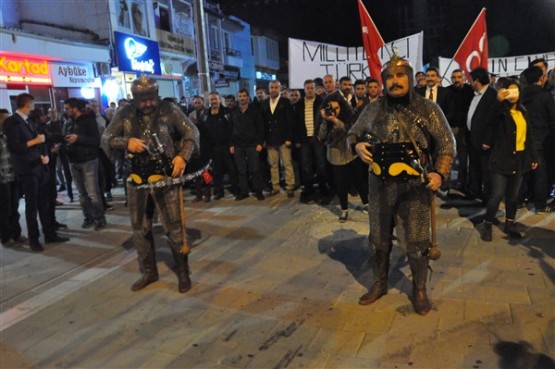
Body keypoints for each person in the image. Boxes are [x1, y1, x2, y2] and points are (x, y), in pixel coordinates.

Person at [348, 54, 455, 315]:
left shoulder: (428, 108)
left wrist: (439, 174)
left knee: (418, 242)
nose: (394, 82)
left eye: (399, 76)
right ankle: (379, 283)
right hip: (380, 185)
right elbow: (353, 133)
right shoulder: (373, 109)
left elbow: (446, 144)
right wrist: (357, 144)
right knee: (378, 241)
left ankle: (419, 289)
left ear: (409, 77)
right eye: (389, 77)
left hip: (414, 187)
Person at [102, 76, 199, 293]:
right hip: (137, 179)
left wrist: (182, 156)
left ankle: (183, 272)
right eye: (142, 99)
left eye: (151, 98)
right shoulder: (124, 114)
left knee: (173, 227)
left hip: (165, 178)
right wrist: (127, 142)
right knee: (140, 228)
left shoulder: (169, 110)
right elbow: (106, 138)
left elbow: (192, 131)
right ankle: (149, 271)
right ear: (135, 98)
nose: (148, 103)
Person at [3, 94, 69, 252]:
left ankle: (49, 234)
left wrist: (45, 154)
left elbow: (42, 139)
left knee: (44, 204)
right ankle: (34, 239)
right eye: (32, 103)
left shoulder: (28, 121)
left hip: (40, 167)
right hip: (27, 171)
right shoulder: (12, 122)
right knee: (32, 207)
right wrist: (35, 142)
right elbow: (14, 147)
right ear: (28, 104)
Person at [481, 78, 538, 241]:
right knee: (497, 194)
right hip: (501, 158)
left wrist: (533, 156)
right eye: (509, 91)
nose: (513, 94)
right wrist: (498, 101)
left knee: (513, 196)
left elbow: (529, 136)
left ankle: (510, 224)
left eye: (516, 91)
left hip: (520, 159)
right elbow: (489, 120)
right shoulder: (500, 111)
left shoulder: (523, 112)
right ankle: (488, 224)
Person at [318, 94, 369, 222]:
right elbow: (321, 136)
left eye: (337, 108)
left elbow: (348, 130)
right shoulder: (325, 119)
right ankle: (344, 209)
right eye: (331, 108)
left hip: (350, 152)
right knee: (341, 184)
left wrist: (335, 120)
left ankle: (366, 203)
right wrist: (325, 119)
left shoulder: (348, 117)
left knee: (359, 180)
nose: (334, 111)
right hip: (336, 156)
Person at [64, 98, 107, 231]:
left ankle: (99, 219)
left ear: (75, 108)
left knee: (92, 193)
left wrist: (78, 139)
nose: (65, 110)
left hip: (88, 160)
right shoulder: (68, 122)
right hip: (73, 160)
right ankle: (88, 217)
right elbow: (64, 137)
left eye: (67, 108)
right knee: (82, 193)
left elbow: (95, 141)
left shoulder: (88, 121)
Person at [520, 66, 555, 213]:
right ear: (541, 78)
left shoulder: (520, 95)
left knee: (525, 172)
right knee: (541, 173)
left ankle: (521, 200)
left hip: (523, 138)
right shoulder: (545, 96)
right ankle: (540, 204)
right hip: (541, 139)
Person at [198, 92, 238, 200]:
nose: (214, 101)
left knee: (232, 170)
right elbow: (202, 132)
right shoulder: (205, 114)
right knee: (216, 172)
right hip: (213, 148)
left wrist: (232, 144)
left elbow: (232, 129)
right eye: (212, 99)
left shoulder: (227, 112)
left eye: (215, 99)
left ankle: (236, 189)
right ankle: (219, 191)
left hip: (226, 146)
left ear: (220, 100)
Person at [467, 67, 497, 204]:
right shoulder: (475, 94)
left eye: (471, 79)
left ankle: (488, 197)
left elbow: (493, 120)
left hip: (484, 141)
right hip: (473, 139)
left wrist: (488, 140)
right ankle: (475, 192)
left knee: (486, 170)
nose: (470, 82)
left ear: (477, 80)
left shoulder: (492, 95)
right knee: (475, 167)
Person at [260, 80, 296, 198]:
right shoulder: (265, 103)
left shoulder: (286, 102)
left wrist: (289, 138)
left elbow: (290, 122)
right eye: (272, 87)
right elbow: (263, 124)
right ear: (269, 89)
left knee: (287, 164)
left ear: (280, 88)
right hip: (270, 139)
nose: (274, 89)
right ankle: (275, 187)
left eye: (276, 87)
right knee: (273, 164)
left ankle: (290, 186)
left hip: (284, 138)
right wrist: (264, 139)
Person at [230, 89, 265, 201]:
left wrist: (259, 143)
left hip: (252, 145)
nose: (242, 98)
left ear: (248, 97)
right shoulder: (234, 111)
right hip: (238, 145)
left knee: (255, 169)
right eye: (240, 96)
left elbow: (260, 128)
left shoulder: (255, 110)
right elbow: (230, 129)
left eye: (244, 96)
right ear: (237, 98)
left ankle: (258, 191)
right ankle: (244, 192)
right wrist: (232, 144)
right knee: (241, 170)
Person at [0, 108, 24, 247]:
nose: (6, 121)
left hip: (14, 176)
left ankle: (16, 234)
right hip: (2, 179)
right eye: (3, 118)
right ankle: (5, 237)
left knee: (15, 207)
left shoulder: (10, 135)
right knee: (5, 209)